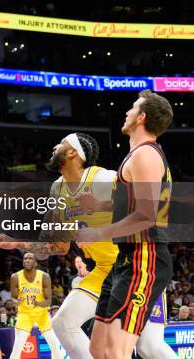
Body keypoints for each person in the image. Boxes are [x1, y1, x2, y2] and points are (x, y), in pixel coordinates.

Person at [0, 133, 173, 359]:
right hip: (106, 271)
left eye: (62, 143)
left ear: (73, 152)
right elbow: (58, 247)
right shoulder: (57, 190)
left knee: (149, 348)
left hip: (138, 265)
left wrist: (103, 206)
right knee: (63, 323)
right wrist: (17, 243)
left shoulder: (103, 179)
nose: (55, 145)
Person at [76, 90, 174, 359]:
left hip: (146, 256)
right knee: (99, 348)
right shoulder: (139, 155)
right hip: (127, 257)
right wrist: (100, 207)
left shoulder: (146, 155)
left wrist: (98, 232)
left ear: (141, 117)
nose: (127, 112)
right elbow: (135, 204)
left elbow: (146, 215)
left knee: (117, 351)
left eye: (133, 107)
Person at [8, 253, 61, 359]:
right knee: (17, 347)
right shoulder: (15, 277)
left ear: (35, 263)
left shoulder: (44, 277)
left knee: (54, 345)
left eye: (30, 258)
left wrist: (38, 303)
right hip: (25, 314)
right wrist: (16, 302)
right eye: (25, 259)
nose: (27, 260)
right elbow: (13, 297)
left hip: (42, 314)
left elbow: (49, 301)